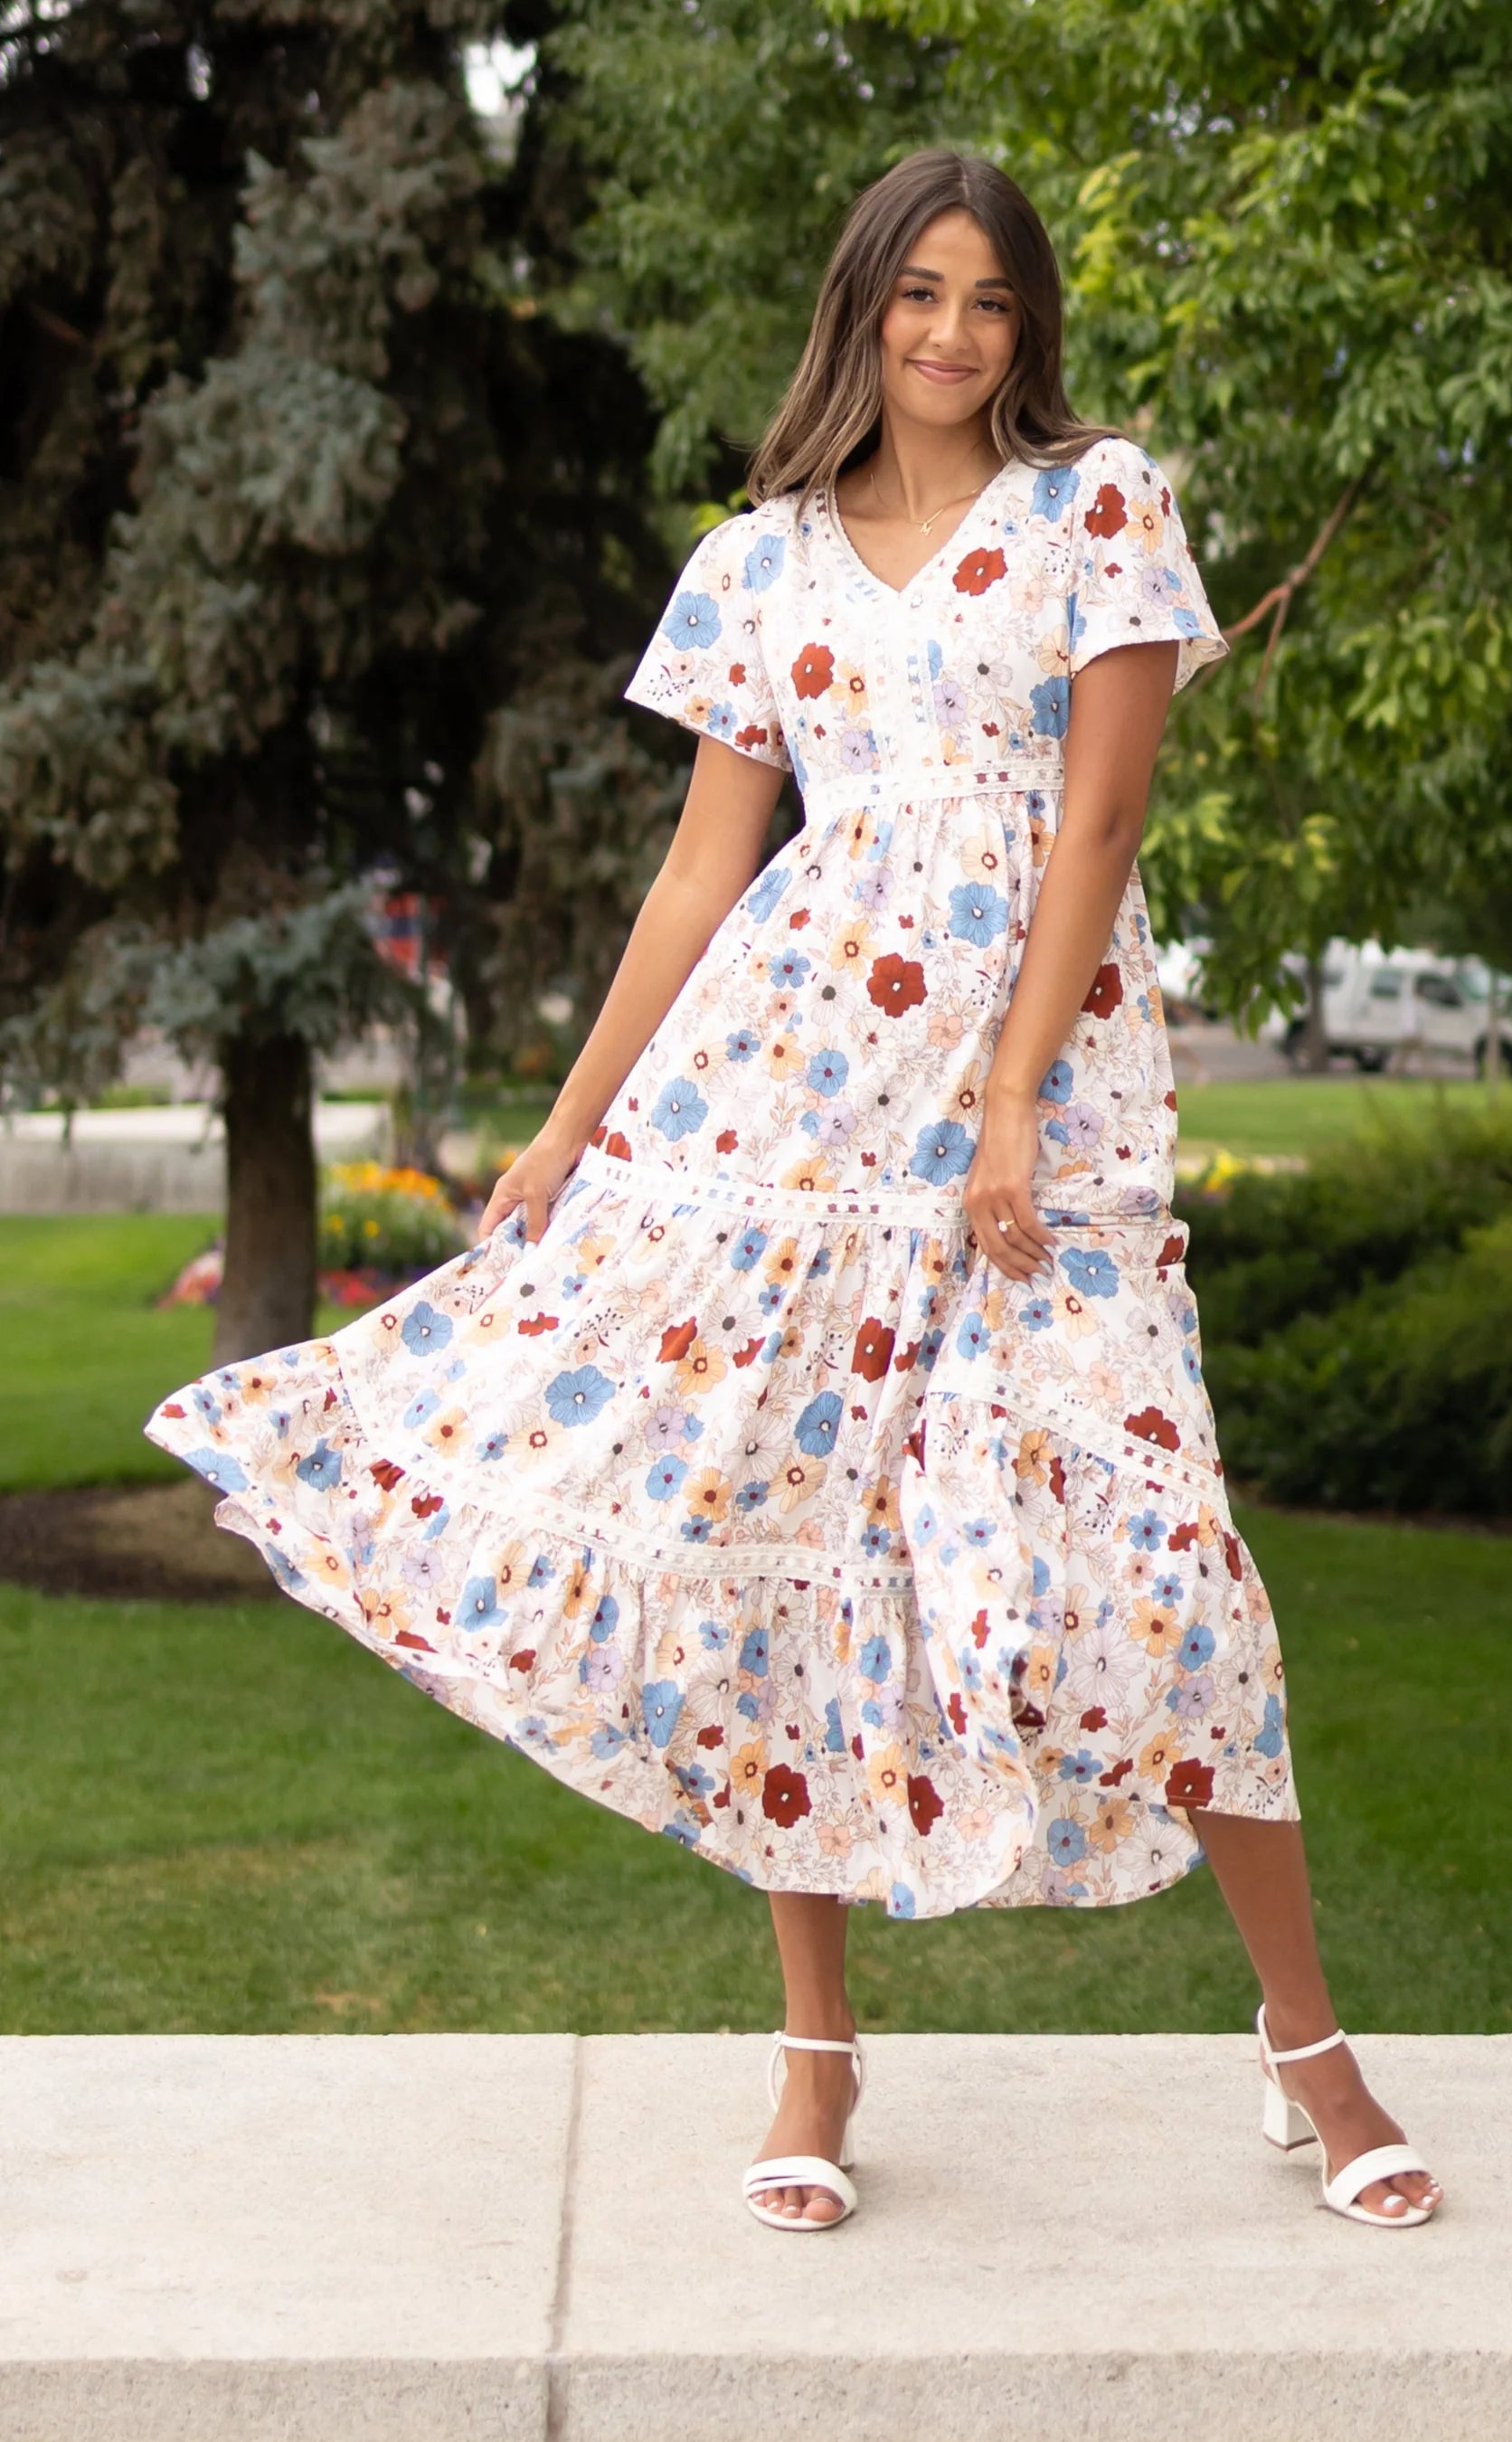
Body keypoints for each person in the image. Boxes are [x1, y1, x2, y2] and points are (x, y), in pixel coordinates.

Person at [145, 148, 1441, 2238]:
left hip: (1044, 1111)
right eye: (920, 293)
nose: (955, 334)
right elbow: (700, 869)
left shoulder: (1099, 505)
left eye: (992, 300)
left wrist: (1010, 1098)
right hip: (797, 1097)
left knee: (1165, 1560)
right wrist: (569, 1124)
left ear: (1030, 325)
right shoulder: (755, 562)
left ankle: (1310, 2047)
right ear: (862, 305)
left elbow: (1103, 817)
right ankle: (818, 2052)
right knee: (777, 1535)